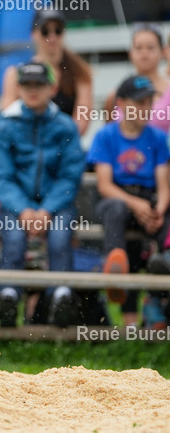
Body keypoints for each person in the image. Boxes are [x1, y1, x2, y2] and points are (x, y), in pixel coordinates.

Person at [0, 62, 85, 328]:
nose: (33, 90)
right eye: (27, 84)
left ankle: (62, 296)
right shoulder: (4, 125)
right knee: (13, 237)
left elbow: (70, 175)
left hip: (56, 204)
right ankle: (8, 296)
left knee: (60, 236)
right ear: (19, 88)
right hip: (15, 204)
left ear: (52, 88)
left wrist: (46, 210)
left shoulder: (65, 126)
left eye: (39, 85)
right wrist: (24, 209)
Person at [89, 74, 170, 327]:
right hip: (116, 197)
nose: (146, 108)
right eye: (139, 103)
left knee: (165, 215)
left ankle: (165, 259)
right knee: (117, 210)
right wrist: (136, 204)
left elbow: (164, 185)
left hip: (148, 198)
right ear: (121, 104)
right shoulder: (105, 136)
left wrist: (159, 209)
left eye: (149, 103)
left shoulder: (158, 138)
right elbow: (104, 185)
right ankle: (116, 261)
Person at [0, 9, 92, 136]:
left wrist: (53, 141)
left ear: (53, 89)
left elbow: (81, 123)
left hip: (63, 142)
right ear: (33, 34)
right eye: (45, 31)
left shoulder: (80, 73)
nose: (52, 37)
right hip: (25, 142)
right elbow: (8, 118)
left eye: (58, 30)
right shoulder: (15, 74)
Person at [102, 23, 170, 132]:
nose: (144, 53)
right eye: (138, 48)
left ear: (162, 51)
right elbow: (111, 134)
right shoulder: (115, 96)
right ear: (131, 53)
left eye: (150, 47)